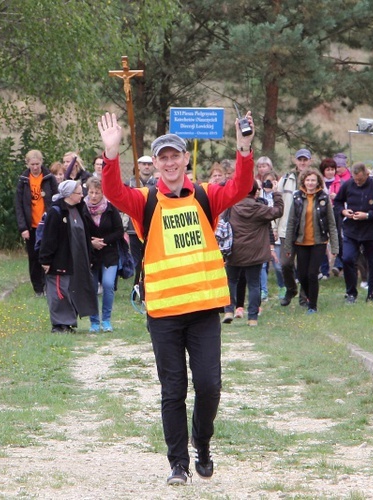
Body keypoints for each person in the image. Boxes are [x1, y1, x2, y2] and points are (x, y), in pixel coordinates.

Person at [98, 111, 254, 485]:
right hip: (165, 313)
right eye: (162, 157)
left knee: (209, 386)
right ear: (156, 164)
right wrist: (111, 153)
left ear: (186, 160)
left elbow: (241, 187)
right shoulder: (145, 200)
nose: (169, 163)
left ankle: (202, 442)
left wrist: (244, 148)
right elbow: (113, 193)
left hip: (203, 310)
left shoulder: (205, 195)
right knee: (173, 389)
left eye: (175, 156)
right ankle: (178, 464)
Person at [38, 180, 98, 332]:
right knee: (59, 292)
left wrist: (90, 257)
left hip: (77, 260)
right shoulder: (56, 212)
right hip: (60, 261)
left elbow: (86, 235)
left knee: (73, 290)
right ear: (70, 195)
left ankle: (68, 323)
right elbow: (49, 238)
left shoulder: (80, 209)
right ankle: (59, 324)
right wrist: (45, 260)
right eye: (79, 193)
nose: (82, 196)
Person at [223, 180, 284, 325]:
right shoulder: (260, 208)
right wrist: (276, 193)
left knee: (231, 281)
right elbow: (278, 211)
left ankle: (229, 310)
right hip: (255, 253)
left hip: (234, 252)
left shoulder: (231, 207)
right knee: (254, 284)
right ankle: (252, 318)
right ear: (255, 191)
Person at [284, 168, 339, 313]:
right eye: (308, 180)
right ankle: (309, 296)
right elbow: (291, 223)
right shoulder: (297, 197)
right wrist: (288, 247)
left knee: (312, 274)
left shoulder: (323, 198)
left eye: (313, 180)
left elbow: (332, 224)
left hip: (318, 242)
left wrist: (335, 247)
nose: (310, 183)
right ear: (303, 181)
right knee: (302, 275)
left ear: (318, 182)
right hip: (301, 242)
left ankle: (312, 305)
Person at [334, 162, 373, 303]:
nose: (357, 182)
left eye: (360, 179)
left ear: (366, 174)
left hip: (372, 231)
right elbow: (338, 202)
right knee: (347, 259)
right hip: (351, 230)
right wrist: (343, 211)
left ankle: (372, 294)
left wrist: (368, 215)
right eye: (355, 179)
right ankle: (351, 293)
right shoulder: (348, 185)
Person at [82, 177, 125, 333]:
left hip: (109, 253)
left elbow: (119, 231)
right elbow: (78, 231)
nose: (93, 196)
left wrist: (104, 241)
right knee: (92, 287)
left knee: (108, 284)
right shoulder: (83, 208)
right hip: (91, 254)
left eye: (97, 193)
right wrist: (91, 242)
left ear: (102, 193)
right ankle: (94, 321)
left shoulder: (110, 208)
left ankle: (106, 320)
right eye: (91, 192)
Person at [15, 150, 59, 297]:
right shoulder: (23, 180)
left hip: (46, 224)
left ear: (41, 162)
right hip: (31, 225)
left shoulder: (48, 178)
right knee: (34, 257)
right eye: (32, 164)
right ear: (27, 164)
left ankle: (48, 285)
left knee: (47, 255)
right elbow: (19, 205)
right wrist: (23, 228)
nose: (35, 167)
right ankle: (38, 288)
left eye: (37, 164)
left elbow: (56, 200)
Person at [278, 148, 313, 306]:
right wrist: (274, 225)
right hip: (287, 229)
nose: (303, 162)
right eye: (300, 159)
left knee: (305, 266)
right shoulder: (286, 179)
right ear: (296, 161)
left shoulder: (315, 179)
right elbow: (277, 203)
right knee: (285, 264)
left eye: (305, 159)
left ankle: (304, 296)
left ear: (310, 161)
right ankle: (291, 289)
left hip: (308, 230)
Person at [126, 155, 158, 287]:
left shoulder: (157, 184)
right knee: (138, 262)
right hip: (134, 228)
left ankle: (146, 286)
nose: (146, 167)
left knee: (150, 260)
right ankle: (138, 288)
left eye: (149, 164)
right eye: (143, 164)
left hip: (152, 228)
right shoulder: (130, 183)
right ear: (138, 166)